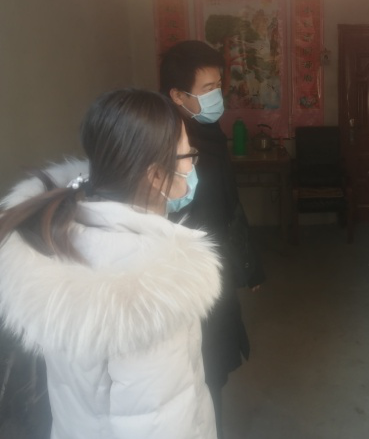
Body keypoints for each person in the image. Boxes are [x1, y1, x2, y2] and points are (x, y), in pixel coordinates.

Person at [0, 89, 221, 439]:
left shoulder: (62, 233)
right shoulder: (151, 286)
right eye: (187, 156)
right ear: (155, 175)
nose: (192, 166)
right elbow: (155, 423)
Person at [159, 40, 265, 437]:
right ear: (177, 95)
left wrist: (247, 263)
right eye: (207, 88)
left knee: (212, 371)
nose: (217, 94)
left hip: (215, 263)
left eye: (218, 84)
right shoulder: (169, 141)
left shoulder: (208, 132)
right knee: (197, 369)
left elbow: (227, 204)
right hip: (187, 276)